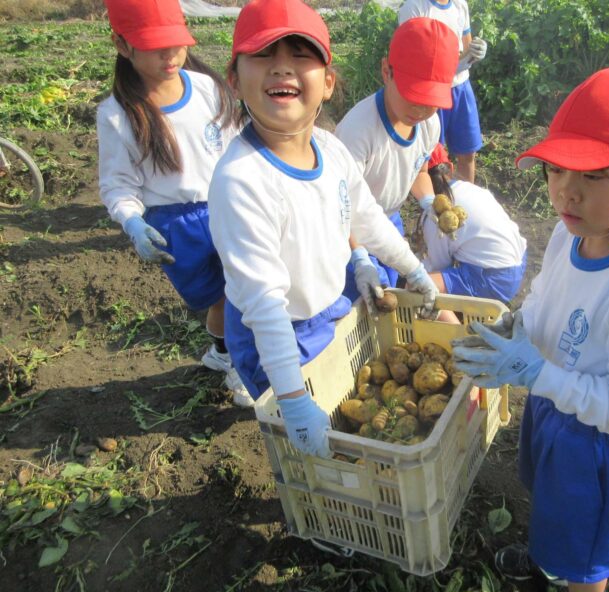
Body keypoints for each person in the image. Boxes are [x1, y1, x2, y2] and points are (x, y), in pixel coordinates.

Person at [451, 67, 609, 592]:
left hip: (599, 445)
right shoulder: (572, 231)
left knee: (587, 551)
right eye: (557, 168)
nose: (566, 189)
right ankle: (547, 557)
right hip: (555, 409)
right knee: (550, 500)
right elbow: (546, 295)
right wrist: (522, 326)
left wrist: (540, 374)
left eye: (593, 173)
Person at [208, 0, 439, 458]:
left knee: (341, 416)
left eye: (300, 56)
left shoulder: (330, 150)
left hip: (326, 310)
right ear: (234, 79)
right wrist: (293, 401)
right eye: (264, 56)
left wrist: (410, 269)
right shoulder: (241, 179)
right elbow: (264, 305)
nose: (282, 70)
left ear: (328, 83)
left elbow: (367, 217)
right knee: (307, 439)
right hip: (274, 333)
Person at [96, 0, 251, 406]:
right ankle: (232, 358)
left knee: (245, 289)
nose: (170, 55)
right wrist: (133, 224)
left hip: (229, 203)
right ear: (122, 45)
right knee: (221, 297)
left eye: (176, 43)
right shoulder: (117, 116)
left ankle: (231, 356)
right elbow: (117, 185)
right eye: (155, 46)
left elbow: (235, 142)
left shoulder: (205, 87)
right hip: (179, 224)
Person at [335, 17, 458, 314]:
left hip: (388, 222)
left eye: (430, 100)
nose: (420, 109)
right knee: (356, 305)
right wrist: (360, 257)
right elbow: (341, 208)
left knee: (385, 298)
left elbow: (417, 168)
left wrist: (428, 201)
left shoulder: (428, 124)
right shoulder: (357, 132)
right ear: (386, 71)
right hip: (346, 228)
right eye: (413, 96)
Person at [417, 143, 527, 306]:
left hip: (494, 280)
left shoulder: (436, 214)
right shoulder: (473, 189)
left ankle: (454, 327)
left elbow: (436, 266)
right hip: (519, 264)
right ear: (450, 168)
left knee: (418, 285)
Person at [398, 0, 485, 183]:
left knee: (467, 152)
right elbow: (414, 59)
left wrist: (474, 53)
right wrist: (448, 66)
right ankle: (439, 206)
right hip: (431, 92)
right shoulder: (414, 8)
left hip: (461, 88)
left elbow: (466, 46)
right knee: (435, 160)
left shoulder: (460, 5)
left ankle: (464, 203)